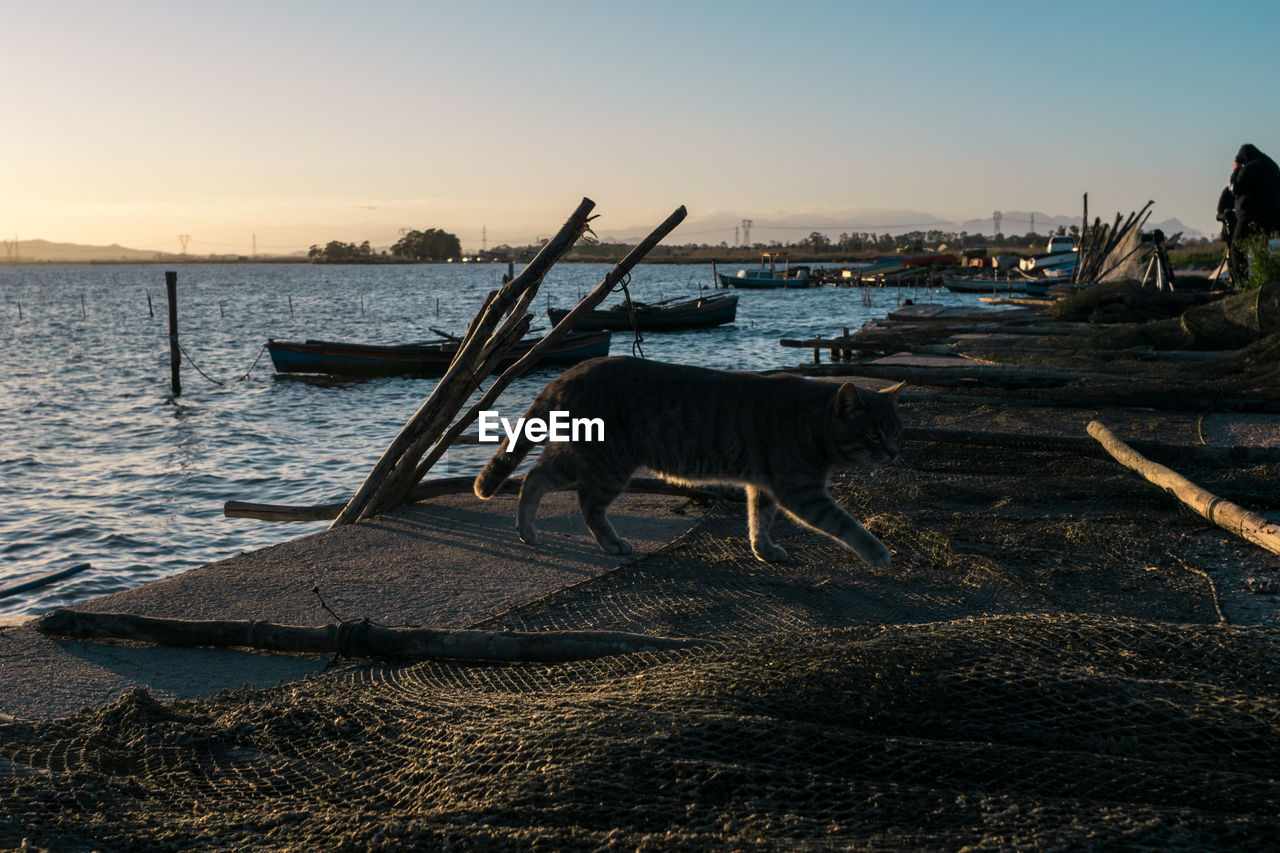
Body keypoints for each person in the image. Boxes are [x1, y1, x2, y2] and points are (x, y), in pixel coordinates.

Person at [1222, 144, 1280, 282]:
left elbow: (1235, 187)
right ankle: (1269, 280)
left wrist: (1236, 170)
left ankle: (1242, 283)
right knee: (1264, 249)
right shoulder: (1272, 166)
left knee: (1237, 249)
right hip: (1273, 216)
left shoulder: (1249, 168)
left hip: (1250, 214)